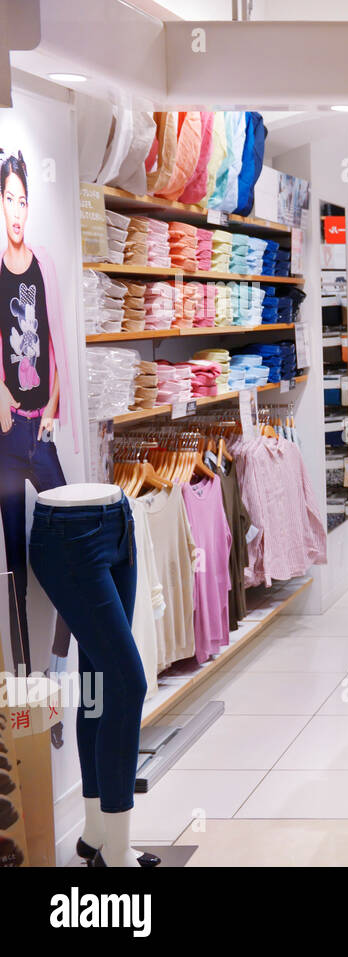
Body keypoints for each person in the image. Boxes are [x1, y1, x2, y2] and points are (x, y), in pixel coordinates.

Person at [0, 150, 67, 669]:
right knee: (13, 571)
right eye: (9, 199)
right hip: (5, 440)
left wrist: (53, 405)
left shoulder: (43, 266)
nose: (17, 209)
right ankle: (25, 681)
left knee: (75, 539)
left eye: (23, 199)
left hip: (39, 432)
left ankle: (61, 663)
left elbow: (56, 340)